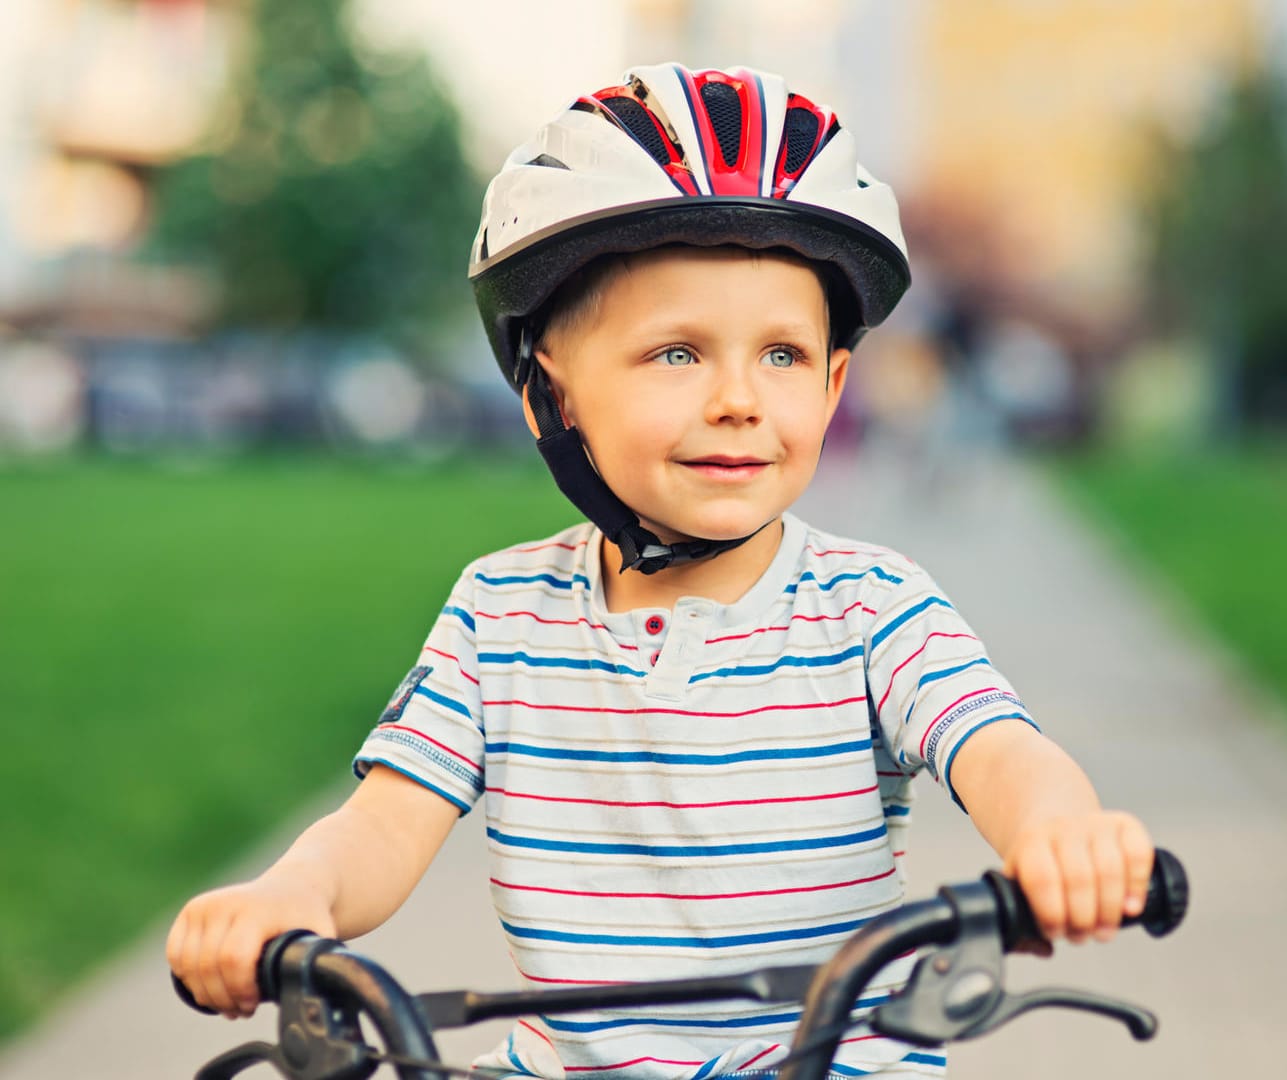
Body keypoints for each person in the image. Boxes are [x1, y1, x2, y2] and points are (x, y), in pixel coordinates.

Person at [167, 63, 1155, 1079]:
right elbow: (382, 825)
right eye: (677, 354)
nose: (738, 398)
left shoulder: (873, 609)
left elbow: (1001, 753)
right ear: (550, 394)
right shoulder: (499, 616)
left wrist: (1061, 835)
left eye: (780, 354)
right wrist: (293, 896)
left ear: (834, 380)